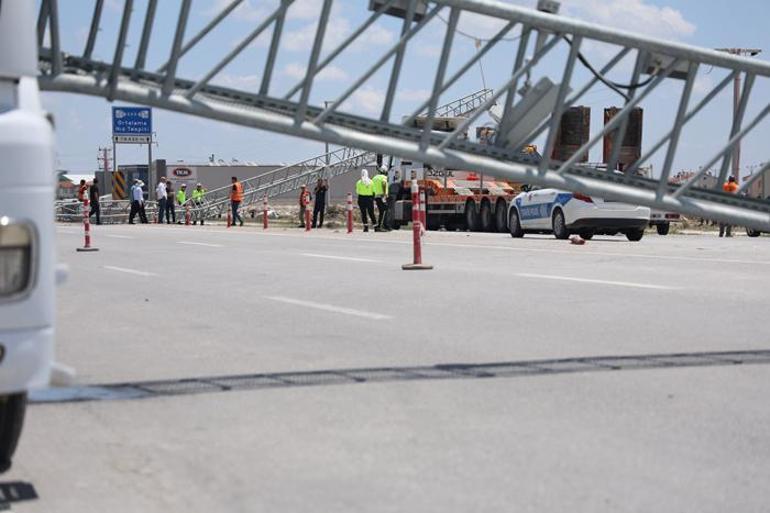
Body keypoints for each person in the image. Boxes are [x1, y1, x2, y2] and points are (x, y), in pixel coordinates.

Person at [372, 165, 389, 231]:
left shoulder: (374, 177)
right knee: (385, 210)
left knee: (381, 211)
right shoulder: (384, 177)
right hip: (382, 196)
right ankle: (382, 226)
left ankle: (379, 226)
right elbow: (384, 184)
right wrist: (385, 195)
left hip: (376, 196)